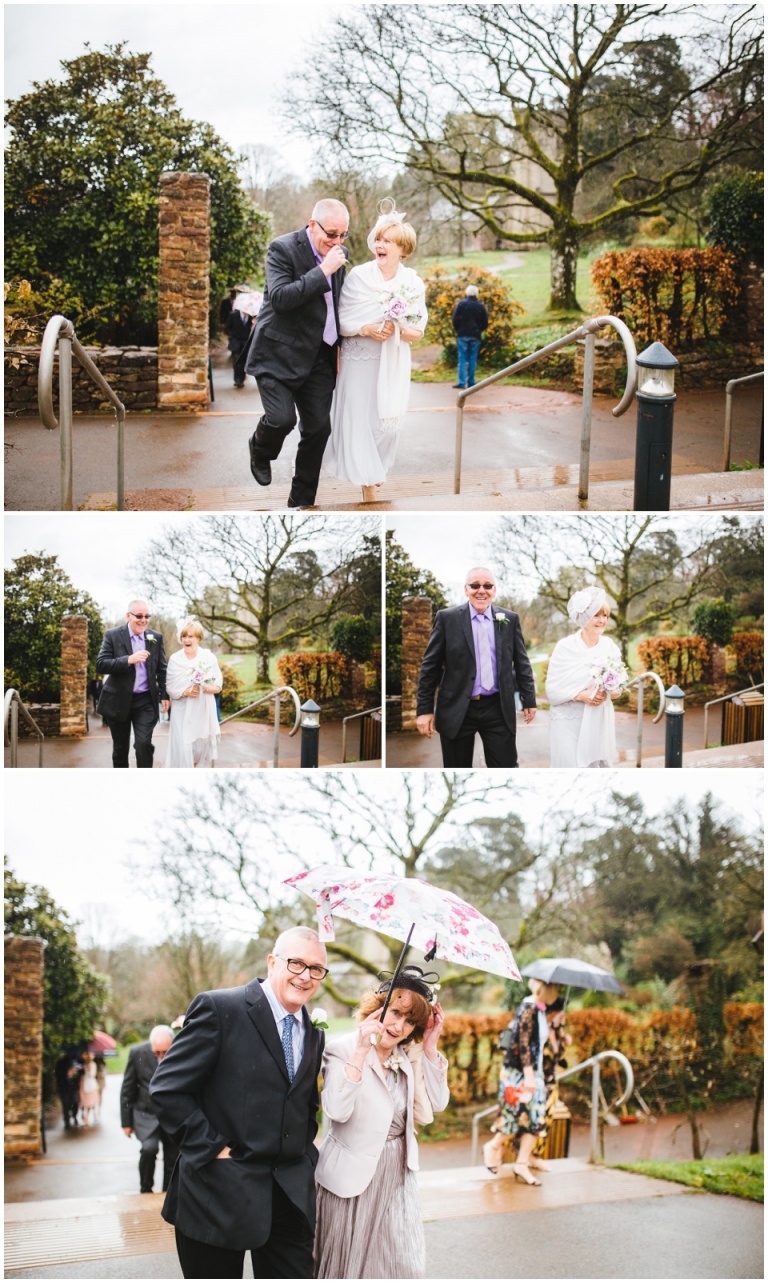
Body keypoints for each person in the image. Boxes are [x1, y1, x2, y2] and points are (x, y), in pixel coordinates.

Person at [150, 926, 328, 1279]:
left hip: (289, 1197)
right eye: (296, 963)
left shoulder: (314, 1033)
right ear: (272, 961)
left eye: (316, 969)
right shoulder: (220, 1008)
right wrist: (213, 1148)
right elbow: (167, 1088)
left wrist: (304, 1155)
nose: (305, 976)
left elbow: (304, 1104)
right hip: (216, 1193)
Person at [314, 966, 448, 1280]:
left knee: (400, 1264)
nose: (400, 1026)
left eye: (411, 1020)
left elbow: (438, 1103)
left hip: (397, 1177)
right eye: (396, 1013)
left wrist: (429, 1046)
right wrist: (361, 1051)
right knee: (349, 1265)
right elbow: (335, 1109)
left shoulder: (409, 1054)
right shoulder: (342, 1048)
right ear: (378, 1008)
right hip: (351, 1180)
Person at [245, 199, 349, 508]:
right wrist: (323, 271)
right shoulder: (282, 249)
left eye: (344, 235)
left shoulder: (340, 253)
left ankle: (301, 501)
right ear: (312, 224)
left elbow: (335, 306)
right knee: (281, 420)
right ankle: (260, 449)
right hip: (278, 353)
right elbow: (280, 299)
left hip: (320, 355)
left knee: (319, 428)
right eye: (332, 234)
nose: (337, 242)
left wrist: (339, 347)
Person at [323, 203, 427, 502]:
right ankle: (368, 488)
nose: (379, 245)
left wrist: (397, 329)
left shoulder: (412, 284)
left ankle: (374, 467)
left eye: (387, 241)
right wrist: (367, 328)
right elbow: (340, 321)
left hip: (391, 362)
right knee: (358, 422)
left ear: (402, 250)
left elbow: (417, 331)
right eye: (378, 239)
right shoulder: (358, 276)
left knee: (387, 427)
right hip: (358, 360)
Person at [416, 566, 537, 767]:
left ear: (494, 590)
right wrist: (424, 710)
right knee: (457, 769)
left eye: (487, 585)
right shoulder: (447, 619)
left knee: (505, 767)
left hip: (498, 708)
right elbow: (430, 667)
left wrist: (529, 699)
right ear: (466, 589)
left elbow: (522, 662)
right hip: (457, 708)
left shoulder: (510, 619)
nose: (481, 590)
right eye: (475, 585)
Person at [483, 980, 569, 1184]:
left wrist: (558, 1028)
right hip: (518, 1074)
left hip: (534, 1073)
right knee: (514, 1118)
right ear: (548, 991)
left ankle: (521, 1164)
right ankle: (493, 1146)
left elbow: (538, 1043)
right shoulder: (528, 1009)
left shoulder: (540, 1010)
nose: (557, 994)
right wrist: (529, 1077)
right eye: (556, 989)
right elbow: (522, 1045)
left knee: (536, 1120)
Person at [546, 586, 624, 767]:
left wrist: (604, 694)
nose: (602, 620)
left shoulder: (609, 646)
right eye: (597, 615)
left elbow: (619, 689)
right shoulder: (564, 647)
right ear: (584, 618)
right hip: (567, 722)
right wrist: (581, 695)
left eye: (605, 616)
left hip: (596, 722)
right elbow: (552, 690)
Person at [96, 600, 169, 768]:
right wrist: (128, 660)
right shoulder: (112, 635)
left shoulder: (155, 638)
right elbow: (101, 664)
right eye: (139, 616)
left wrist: (164, 694)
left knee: (143, 744)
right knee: (120, 749)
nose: (143, 620)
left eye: (147, 616)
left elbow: (162, 669)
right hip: (118, 700)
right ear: (128, 616)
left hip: (145, 700)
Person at [121, 1025, 179, 1194]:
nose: (161, 1056)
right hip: (145, 1114)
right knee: (149, 1149)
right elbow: (127, 1089)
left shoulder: (181, 1050)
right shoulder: (137, 1053)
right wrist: (126, 1122)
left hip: (172, 1114)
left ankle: (168, 1194)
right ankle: (146, 1189)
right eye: (157, 1053)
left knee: (173, 1156)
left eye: (165, 1052)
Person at [164, 619, 223, 769]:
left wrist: (205, 686)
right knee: (184, 748)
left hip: (201, 710)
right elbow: (170, 687)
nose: (186, 640)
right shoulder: (175, 659)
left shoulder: (209, 658)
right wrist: (186, 691)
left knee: (198, 748)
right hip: (181, 711)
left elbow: (218, 686)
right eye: (184, 636)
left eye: (191, 636)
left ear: (198, 638)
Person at [451, 285, 488, 389]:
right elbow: (485, 323)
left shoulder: (462, 304)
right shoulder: (480, 306)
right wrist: (478, 330)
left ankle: (461, 382)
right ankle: (471, 382)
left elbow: (455, 320)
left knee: (462, 358)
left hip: (462, 334)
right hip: (475, 335)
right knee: (472, 359)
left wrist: (459, 329)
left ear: (467, 293)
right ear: (477, 294)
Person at [225, 305, 255, 389]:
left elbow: (252, 329)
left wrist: (253, 324)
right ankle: (237, 380)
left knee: (245, 360)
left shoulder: (250, 317)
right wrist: (231, 337)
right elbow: (227, 327)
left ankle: (242, 378)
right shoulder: (233, 315)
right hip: (236, 342)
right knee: (236, 360)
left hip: (245, 342)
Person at [55, 1053, 82, 1129]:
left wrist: (75, 1073)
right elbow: (58, 1074)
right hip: (64, 1087)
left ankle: (74, 1116)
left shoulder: (77, 1061)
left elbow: (81, 1072)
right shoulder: (61, 1062)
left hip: (74, 1087)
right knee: (65, 1104)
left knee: (75, 1102)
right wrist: (67, 1073)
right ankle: (67, 1120)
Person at [79, 1052, 100, 1126]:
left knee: (91, 1102)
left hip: (91, 1085)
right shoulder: (83, 1064)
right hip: (84, 1084)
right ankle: (84, 1115)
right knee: (84, 1102)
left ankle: (89, 1116)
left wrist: (89, 1068)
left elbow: (92, 1075)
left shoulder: (93, 1065)